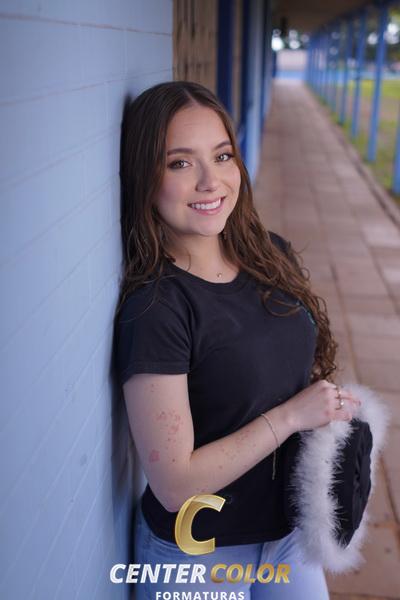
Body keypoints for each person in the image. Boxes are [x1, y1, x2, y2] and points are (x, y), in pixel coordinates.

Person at [114, 81, 361, 599]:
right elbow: (175, 484)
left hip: (288, 535)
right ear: (145, 177)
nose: (211, 181)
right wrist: (292, 416)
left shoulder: (270, 254)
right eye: (180, 163)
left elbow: (285, 367)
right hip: (198, 551)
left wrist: (326, 408)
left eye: (222, 156)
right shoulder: (158, 309)